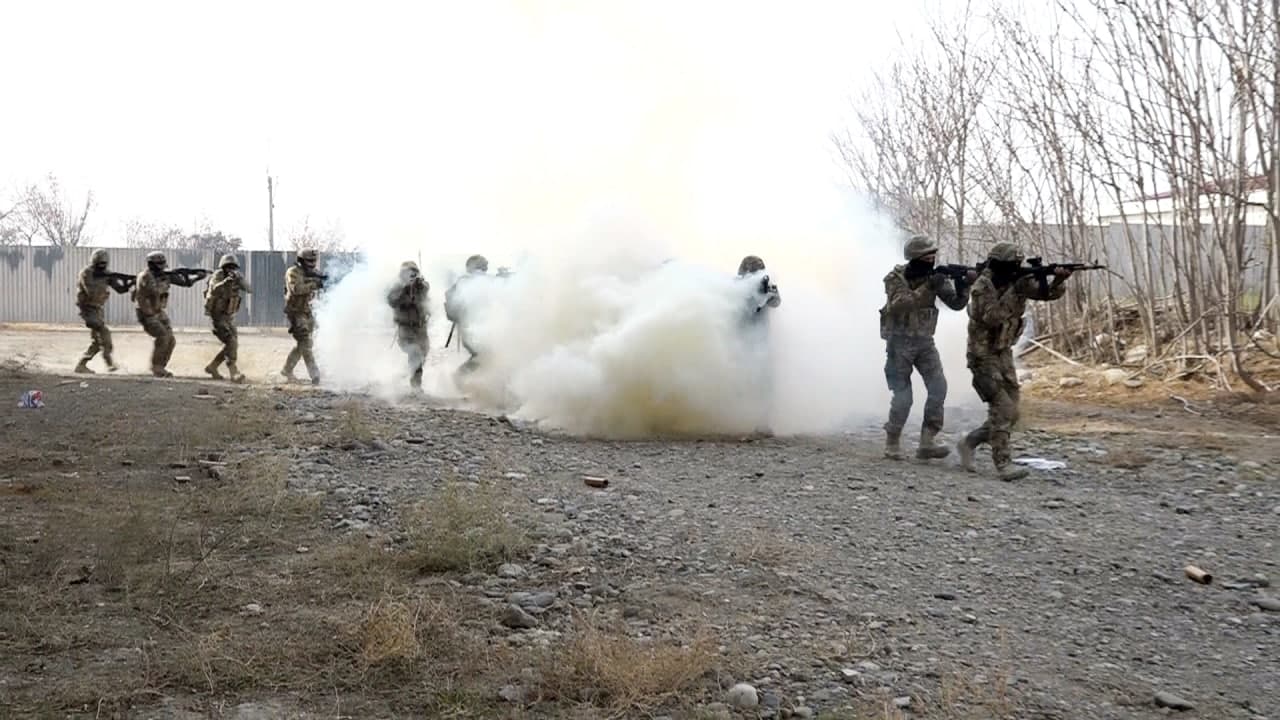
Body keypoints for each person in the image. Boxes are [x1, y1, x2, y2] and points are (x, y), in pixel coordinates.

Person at [958, 241, 1074, 480]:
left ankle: (969, 442)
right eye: (1012, 265)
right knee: (1003, 408)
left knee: (1013, 412)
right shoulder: (983, 285)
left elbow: (1046, 294)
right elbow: (991, 317)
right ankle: (1003, 463)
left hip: (1002, 352)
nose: (1016, 268)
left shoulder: (1015, 283)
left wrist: (1058, 280)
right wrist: (1015, 290)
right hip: (982, 355)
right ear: (999, 264)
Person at [878, 235, 973, 460]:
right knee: (903, 396)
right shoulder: (895, 277)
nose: (932, 260)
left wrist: (964, 285)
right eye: (927, 256)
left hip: (924, 342)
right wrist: (928, 285)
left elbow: (957, 304)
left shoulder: (934, 277)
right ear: (915, 258)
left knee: (938, 387)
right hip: (899, 342)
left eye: (933, 256)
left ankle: (927, 441)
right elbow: (899, 304)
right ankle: (892, 441)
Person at [133, 251, 202, 377]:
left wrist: (195, 277)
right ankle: (156, 367)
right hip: (146, 312)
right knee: (163, 336)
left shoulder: (163, 275)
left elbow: (185, 284)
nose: (162, 268)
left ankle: (161, 366)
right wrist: (166, 278)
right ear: (151, 265)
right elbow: (154, 291)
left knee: (171, 340)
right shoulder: (145, 276)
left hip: (158, 311)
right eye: (159, 265)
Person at [736, 255, 781, 434]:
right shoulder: (736, 286)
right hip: (742, 340)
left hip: (761, 341)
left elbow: (776, 302)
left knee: (763, 382)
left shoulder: (767, 285)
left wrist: (768, 294)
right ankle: (736, 418)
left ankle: (762, 422)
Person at [74, 249, 131, 373]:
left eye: (104, 264)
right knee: (104, 333)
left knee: (97, 341)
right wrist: (105, 280)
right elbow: (90, 291)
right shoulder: (86, 273)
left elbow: (120, 290)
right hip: (87, 309)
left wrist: (130, 283)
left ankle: (81, 365)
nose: (102, 266)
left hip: (98, 310)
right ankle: (109, 363)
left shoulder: (107, 273)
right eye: (99, 264)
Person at [203, 253, 252, 382]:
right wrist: (225, 282)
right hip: (217, 317)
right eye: (228, 267)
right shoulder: (217, 276)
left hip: (228, 317)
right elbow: (214, 289)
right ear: (223, 267)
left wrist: (239, 279)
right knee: (231, 341)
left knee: (232, 344)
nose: (231, 270)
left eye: (233, 267)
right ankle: (233, 372)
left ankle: (213, 366)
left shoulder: (236, 277)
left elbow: (249, 289)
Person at [281, 248, 324, 384]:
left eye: (313, 261)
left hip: (306, 311)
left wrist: (324, 282)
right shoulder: (292, 272)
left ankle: (287, 369)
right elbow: (296, 289)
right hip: (295, 312)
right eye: (309, 261)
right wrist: (314, 284)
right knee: (305, 342)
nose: (312, 264)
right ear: (301, 260)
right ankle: (314, 374)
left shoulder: (312, 273)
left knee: (304, 343)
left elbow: (320, 282)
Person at [387, 260, 430, 390]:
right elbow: (392, 301)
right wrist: (405, 289)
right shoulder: (397, 287)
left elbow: (426, 291)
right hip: (406, 328)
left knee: (423, 354)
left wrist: (419, 285)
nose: (412, 275)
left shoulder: (421, 286)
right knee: (415, 353)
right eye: (408, 272)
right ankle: (416, 386)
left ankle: (411, 372)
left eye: (414, 272)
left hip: (421, 328)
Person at [444, 254, 489, 378]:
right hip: (472, 327)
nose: (485, 269)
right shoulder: (467, 281)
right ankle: (458, 377)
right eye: (484, 266)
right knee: (483, 356)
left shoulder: (464, 280)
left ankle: (465, 379)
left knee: (484, 356)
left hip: (475, 326)